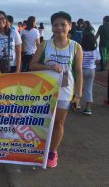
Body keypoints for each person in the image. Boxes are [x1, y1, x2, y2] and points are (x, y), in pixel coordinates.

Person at [30, 11, 83, 168]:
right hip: (44, 92)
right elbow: (32, 65)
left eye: (63, 24)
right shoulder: (45, 45)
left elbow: (79, 72)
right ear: (51, 28)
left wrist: (78, 94)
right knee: (42, 122)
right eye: (55, 25)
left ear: (70, 26)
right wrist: (49, 66)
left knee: (59, 123)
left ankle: (52, 152)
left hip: (65, 92)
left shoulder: (75, 47)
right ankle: (40, 148)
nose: (59, 27)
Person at [81, 32, 100, 115]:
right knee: (89, 88)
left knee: (78, 87)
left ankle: (76, 103)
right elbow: (98, 61)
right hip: (91, 70)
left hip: (81, 70)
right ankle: (87, 108)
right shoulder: (96, 49)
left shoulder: (80, 48)